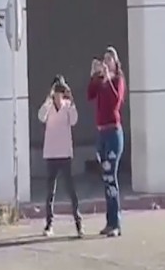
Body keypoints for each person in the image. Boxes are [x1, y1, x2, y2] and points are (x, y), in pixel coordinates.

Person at [87, 47, 127, 237]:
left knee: (111, 178)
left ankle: (116, 223)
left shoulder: (117, 80)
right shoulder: (103, 81)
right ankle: (109, 222)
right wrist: (95, 75)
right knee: (106, 179)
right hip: (101, 133)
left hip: (113, 133)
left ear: (115, 62)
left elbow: (116, 100)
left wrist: (109, 77)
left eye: (110, 59)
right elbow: (90, 94)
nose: (106, 61)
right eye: (105, 58)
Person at [38, 74, 83, 237]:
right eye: (56, 90)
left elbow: (74, 121)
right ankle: (49, 224)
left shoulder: (68, 106)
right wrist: (48, 98)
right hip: (51, 153)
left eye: (61, 90)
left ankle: (78, 223)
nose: (59, 93)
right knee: (50, 191)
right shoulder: (49, 106)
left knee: (71, 190)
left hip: (64, 153)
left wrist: (71, 100)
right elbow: (41, 116)